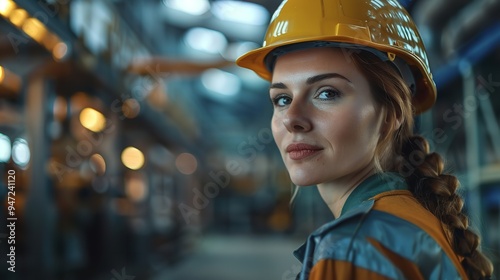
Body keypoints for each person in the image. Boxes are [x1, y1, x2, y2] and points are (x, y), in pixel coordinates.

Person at [236, 0, 494, 279]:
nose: (291, 118)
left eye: (326, 93)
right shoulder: (414, 221)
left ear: (391, 114)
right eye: (282, 99)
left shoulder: (353, 248)